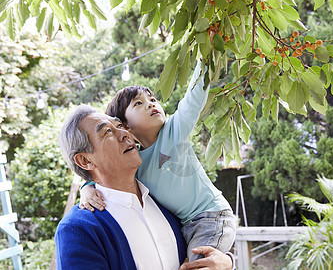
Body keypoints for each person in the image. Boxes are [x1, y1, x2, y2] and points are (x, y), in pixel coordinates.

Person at [81, 60, 236, 261]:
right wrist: (87, 187)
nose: (151, 104)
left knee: (201, 264)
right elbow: (106, 171)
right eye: (138, 103)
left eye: (152, 99)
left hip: (212, 217)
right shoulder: (132, 161)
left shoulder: (173, 132)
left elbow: (193, 101)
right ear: (126, 126)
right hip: (185, 226)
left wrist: (204, 62)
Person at [56, 105, 234, 269]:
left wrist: (227, 264)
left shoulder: (168, 205)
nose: (124, 134)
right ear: (85, 160)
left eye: (120, 125)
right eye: (107, 132)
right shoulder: (77, 230)